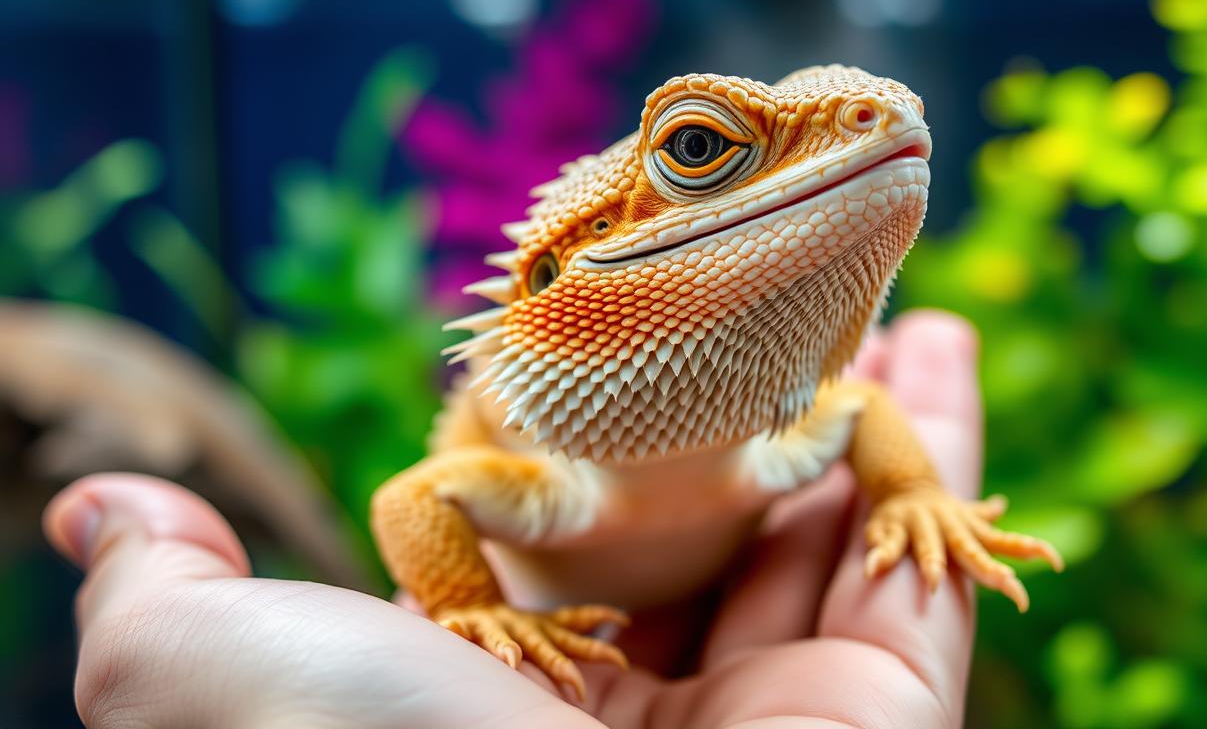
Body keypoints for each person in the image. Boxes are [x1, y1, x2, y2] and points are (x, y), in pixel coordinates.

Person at [44, 311, 986, 728]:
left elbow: (862, 411)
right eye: (701, 151)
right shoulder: (559, 482)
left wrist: (912, 496)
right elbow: (411, 498)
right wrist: (471, 605)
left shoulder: (787, 441)